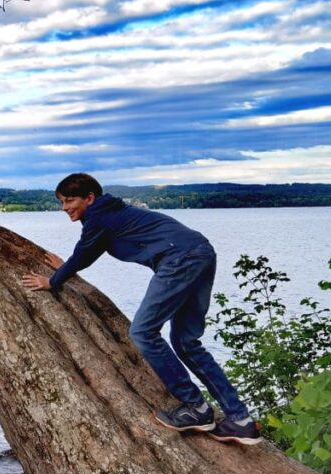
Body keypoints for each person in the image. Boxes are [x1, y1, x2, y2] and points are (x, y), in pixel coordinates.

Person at [22, 173, 261, 445]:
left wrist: (52, 281)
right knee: (186, 341)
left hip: (180, 259)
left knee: (143, 332)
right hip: (200, 252)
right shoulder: (110, 213)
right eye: (61, 202)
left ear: (90, 198)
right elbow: (87, 253)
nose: (65, 208)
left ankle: (197, 408)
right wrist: (65, 268)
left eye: (69, 201)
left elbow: (84, 254)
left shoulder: (99, 215)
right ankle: (240, 420)